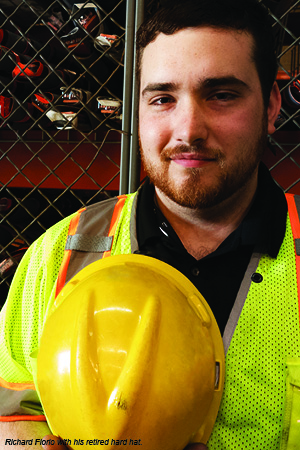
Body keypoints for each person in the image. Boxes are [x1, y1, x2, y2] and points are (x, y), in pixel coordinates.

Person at [0, 0, 298, 448]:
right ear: (138, 111)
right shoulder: (59, 255)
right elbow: (9, 413)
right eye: (162, 98)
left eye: (221, 94)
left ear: (272, 108)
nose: (188, 129)